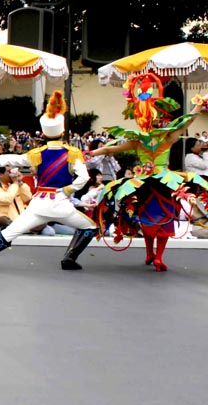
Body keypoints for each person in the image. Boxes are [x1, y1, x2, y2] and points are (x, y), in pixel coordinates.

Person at [0, 91, 99, 269]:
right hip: (61, 205)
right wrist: (67, 190)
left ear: (45, 134)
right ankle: (69, 259)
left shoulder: (36, 154)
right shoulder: (72, 153)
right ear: (62, 131)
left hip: (38, 204)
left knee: (10, 233)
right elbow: (84, 177)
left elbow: (5, 159)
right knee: (90, 228)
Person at [89, 77, 208, 271]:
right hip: (165, 183)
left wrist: (89, 153)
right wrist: (200, 103)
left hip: (143, 184)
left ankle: (149, 253)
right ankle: (158, 256)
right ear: (159, 117)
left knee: (146, 216)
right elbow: (187, 120)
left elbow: (111, 149)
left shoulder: (138, 141)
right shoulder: (168, 137)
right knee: (165, 217)